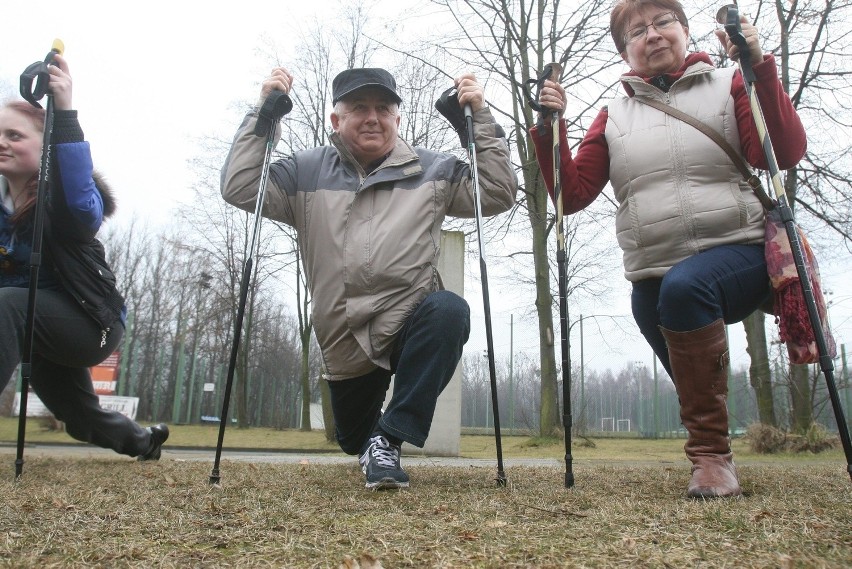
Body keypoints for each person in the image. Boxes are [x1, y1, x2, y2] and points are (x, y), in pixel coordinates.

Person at [530, 0, 806, 498]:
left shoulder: (731, 83)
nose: (652, 35)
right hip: (656, 271)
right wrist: (550, 127)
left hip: (738, 250)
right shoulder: (612, 116)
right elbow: (572, 195)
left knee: (686, 287)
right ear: (625, 51)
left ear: (683, 30)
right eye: (637, 31)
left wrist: (758, 67)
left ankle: (710, 460)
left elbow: (780, 152)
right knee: (655, 303)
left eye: (663, 23)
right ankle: (714, 438)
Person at [222, 67, 517, 489]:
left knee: (449, 311)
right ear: (335, 120)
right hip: (344, 339)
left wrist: (478, 121)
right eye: (358, 107)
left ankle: (391, 437)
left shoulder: (433, 171)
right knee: (353, 440)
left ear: (397, 118)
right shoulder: (304, 172)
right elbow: (240, 187)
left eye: (384, 108)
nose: (372, 117)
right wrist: (263, 115)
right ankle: (372, 440)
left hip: (408, 320)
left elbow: (498, 193)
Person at [0, 54, 169, 461]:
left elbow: (82, 206)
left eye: (14, 135)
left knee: (6, 304)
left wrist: (66, 112)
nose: (2, 142)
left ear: (46, 148)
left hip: (90, 324)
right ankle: (144, 442)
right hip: (33, 328)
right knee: (78, 415)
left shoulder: (63, 201)